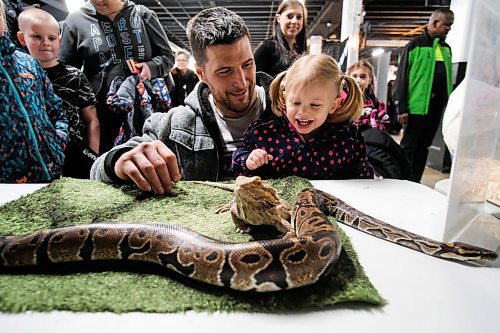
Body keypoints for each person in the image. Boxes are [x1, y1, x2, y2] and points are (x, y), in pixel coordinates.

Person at [90, 7, 275, 194]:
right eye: (225, 71)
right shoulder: (175, 125)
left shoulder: (289, 110)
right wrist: (120, 161)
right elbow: (96, 171)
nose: (242, 82)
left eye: (247, 64)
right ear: (201, 74)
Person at [58, 0, 175, 154]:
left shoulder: (142, 15)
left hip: (144, 108)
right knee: (106, 163)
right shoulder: (75, 21)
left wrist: (151, 67)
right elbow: (67, 70)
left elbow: (167, 57)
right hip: (101, 113)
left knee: (146, 158)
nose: (98, 1)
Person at [232, 54, 374, 180]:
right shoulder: (262, 132)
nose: (303, 112)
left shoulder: (348, 136)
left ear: (333, 105)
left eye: (315, 105)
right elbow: (239, 164)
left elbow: (362, 178)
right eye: (295, 102)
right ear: (284, 98)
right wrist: (248, 160)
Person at [17, 7, 100, 179]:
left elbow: (92, 119)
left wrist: (93, 156)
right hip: (34, 156)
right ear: (22, 38)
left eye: (51, 38)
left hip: (75, 153)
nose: (45, 42)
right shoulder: (17, 77)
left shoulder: (74, 76)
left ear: (59, 41)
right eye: (36, 36)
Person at [0, 1, 69, 183]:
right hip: (7, 181)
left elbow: (55, 108)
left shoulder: (28, 63)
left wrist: (58, 142)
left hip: (50, 170)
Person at [393, 8, 454, 183]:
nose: (449, 29)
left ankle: (415, 181)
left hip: (435, 108)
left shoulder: (446, 49)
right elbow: (402, 77)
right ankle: (400, 180)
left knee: (424, 147)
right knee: (408, 147)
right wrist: (402, 107)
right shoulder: (414, 46)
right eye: (447, 25)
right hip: (415, 108)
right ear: (435, 23)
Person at [253, 0, 307, 78]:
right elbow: (252, 80)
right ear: (278, 18)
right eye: (289, 16)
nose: (295, 21)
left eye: (299, 17)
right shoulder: (267, 47)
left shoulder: (300, 50)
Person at [347, 60, 390, 132]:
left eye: (363, 77)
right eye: (354, 76)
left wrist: (371, 125)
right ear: (348, 79)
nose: (358, 80)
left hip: (369, 140)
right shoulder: (341, 102)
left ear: (369, 80)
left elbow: (385, 124)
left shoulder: (377, 104)